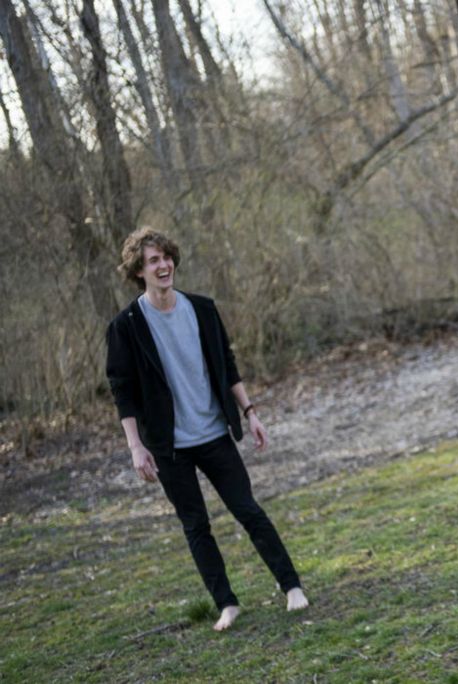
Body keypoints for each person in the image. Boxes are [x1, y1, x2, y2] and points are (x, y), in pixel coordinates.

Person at [105, 228, 309, 631]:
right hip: (169, 447)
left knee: (248, 510)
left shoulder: (202, 308)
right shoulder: (126, 326)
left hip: (214, 433)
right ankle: (227, 604)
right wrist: (136, 447)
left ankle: (291, 587)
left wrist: (250, 412)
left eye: (166, 257)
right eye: (152, 261)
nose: (163, 266)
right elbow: (122, 391)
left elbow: (226, 365)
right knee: (196, 525)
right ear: (138, 271)